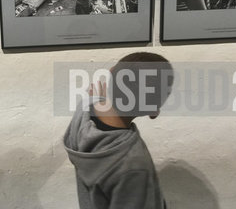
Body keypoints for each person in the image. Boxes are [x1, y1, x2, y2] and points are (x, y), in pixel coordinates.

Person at [64, 52, 173, 209]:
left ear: (111, 73)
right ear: (154, 110)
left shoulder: (84, 112)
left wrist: (97, 100)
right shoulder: (134, 166)